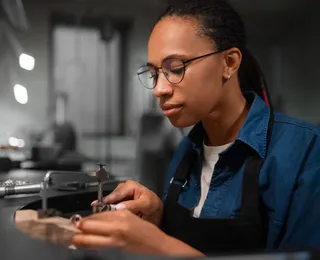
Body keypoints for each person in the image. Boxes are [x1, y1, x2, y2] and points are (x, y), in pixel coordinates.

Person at [71, 0, 320, 257]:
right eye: (154, 74)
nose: (159, 90)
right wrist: (159, 219)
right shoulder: (186, 151)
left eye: (175, 68)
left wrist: (161, 245)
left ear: (230, 62)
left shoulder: (306, 151)